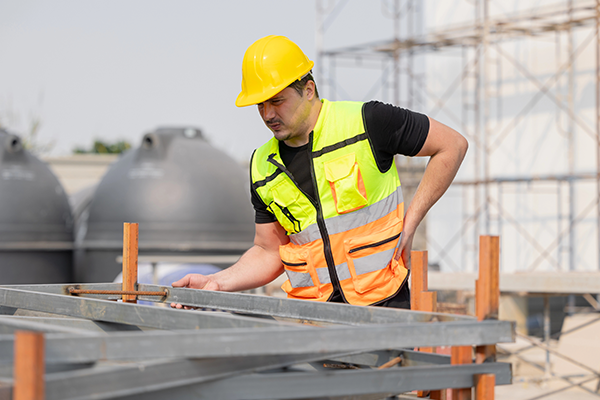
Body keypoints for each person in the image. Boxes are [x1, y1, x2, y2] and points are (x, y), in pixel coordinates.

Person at [171, 35, 467, 309]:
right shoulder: (262, 164)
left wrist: (411, 221)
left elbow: (452, 145)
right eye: (260, 105)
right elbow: (268, 251)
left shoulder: (367, 122)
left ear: (308, 89)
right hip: (313, 321)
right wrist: (216, 282)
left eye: (277, 101)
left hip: (384, 308)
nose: (268, 114)